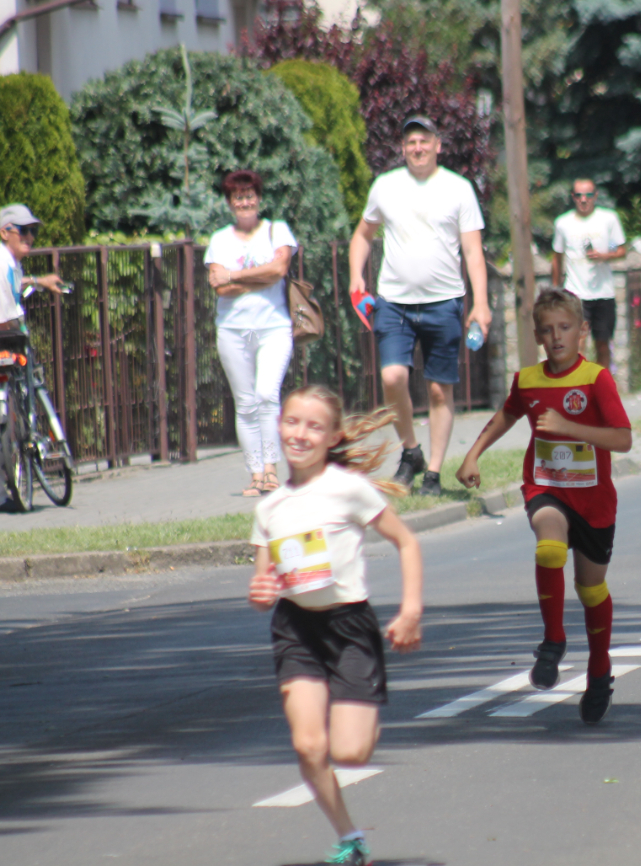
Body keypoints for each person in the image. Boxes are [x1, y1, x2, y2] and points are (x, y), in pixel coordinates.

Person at [247, 385, 423, 866]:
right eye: (291, 422)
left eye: (313, 426)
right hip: (296, 629)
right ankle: (350, 837)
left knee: (349, 753)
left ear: (333, 436)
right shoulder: (269, 508)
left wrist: (409, 610)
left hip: (349, 627)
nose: (299, 433)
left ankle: (360, 721)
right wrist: (260, 593)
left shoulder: (348, 488)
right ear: (279, 425)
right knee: (307, 745)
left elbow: (406, 542)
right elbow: (264, 585)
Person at [456, 289, 631, 724]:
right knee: (549, 545)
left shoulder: (596, 379)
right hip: (546, 487)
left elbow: (623, 439)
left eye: (565, 328)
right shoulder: (527, 380)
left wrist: (571, 427)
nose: (556, 338)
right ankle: (553, 641)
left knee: (591, 589)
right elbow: (506, 415)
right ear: (537, 335)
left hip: (593, 500)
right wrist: (472, 453)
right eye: (548, 330)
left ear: (582, 332)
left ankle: (599, 671)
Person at [349, 116, 491, 496]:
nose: (417, 147)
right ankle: (410, 449)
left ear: (438, 145)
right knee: (393, 377)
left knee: (440, 391)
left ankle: (432, 473)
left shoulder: (458, 189)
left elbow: (473, 251)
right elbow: (363, 234)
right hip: (393, 303)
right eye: (411, 141)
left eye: (424, 140)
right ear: (403, 148)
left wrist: (481, 303)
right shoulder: (386, 186)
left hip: (444, 303)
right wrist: (355, 276)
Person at [205, 170, 296, 497]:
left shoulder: (277, 230)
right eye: (237, 197)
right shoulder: (219, 239)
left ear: (259, 198)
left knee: (266, 395)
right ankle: (255, 474)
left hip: (274, 327)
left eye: (249, 195)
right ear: (230, 203)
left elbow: (279, 269)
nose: (244, 202)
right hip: (232, 330)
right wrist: (260, 278)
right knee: (245, 404)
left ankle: (272, 470)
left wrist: (235, 274)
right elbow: (219, 287)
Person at [0, 204, 65, 510]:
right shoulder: (0, 263)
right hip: (2, 342)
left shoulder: (9, 263)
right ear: (4, 232)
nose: (30, 236)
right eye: (22, 230)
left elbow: (13, 285)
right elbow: (3, 319)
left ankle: (0, 492)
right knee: (3, 419)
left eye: (33, 230)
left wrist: (38, 281)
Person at [551, 179, 627, 368]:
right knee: (578, 344)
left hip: (603, 292)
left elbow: (622, 250)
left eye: (588, 195)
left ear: (596, 196)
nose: (583, 200)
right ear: (573, 197)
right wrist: (555, 291)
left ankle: (603, 388)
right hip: (576, 294)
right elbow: (557, 258)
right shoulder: (563, 223)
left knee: (602, 344)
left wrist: (604, 256)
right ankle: (579, 389)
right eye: (578, 195)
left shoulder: (608, 219)